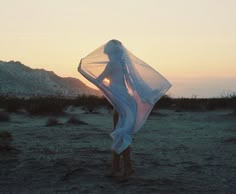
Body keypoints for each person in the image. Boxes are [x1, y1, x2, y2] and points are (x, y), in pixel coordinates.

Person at [106, 109, 134, 180]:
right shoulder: (118, 102)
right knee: (117, 146)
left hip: (123, 127)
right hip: (119, 127)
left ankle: (127, 169)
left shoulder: (124, 101)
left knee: (123, 146)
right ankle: (116, 168)